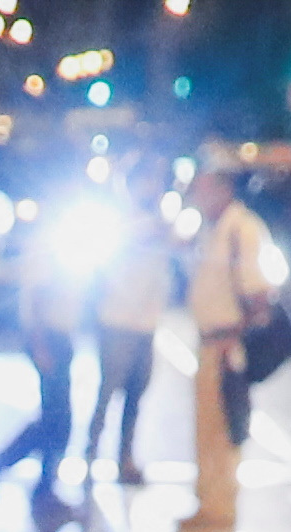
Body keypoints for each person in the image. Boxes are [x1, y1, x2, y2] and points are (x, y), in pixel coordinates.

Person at [182, 163, 280, 527]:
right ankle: (207, 500)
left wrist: (238, 337)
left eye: (204, 190)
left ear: (223, 191)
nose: (198, 198)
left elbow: (257, 291)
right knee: (207, 427)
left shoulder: (242, 229)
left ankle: (220, 505)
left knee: (223, 427)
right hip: (209, 340)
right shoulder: (212, 229)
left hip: (226, 343)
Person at [0, 201, 88, 500]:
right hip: (48, 337)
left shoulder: (70, 252)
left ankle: (42, 480)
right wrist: (40, 344)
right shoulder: (48, 252)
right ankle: (1, 464)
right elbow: (37, 300)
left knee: (58, 416)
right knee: (57, 416)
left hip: (61, 336)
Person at [88, 176, 173, 486]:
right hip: (118, 321)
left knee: (136, 395)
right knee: (107, 393)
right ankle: (90, 455)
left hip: (146, 325)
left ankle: (125, 458)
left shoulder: (163, 227)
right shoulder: (124, 222)